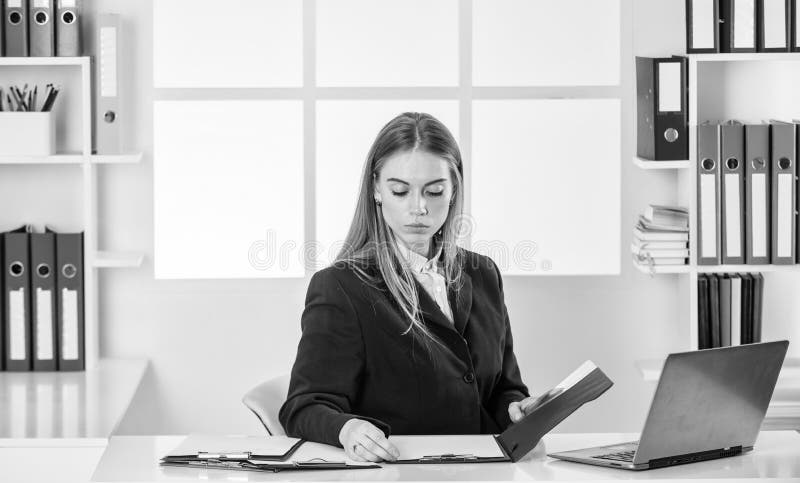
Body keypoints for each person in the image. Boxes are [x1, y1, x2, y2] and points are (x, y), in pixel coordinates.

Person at [279, 112, 549, 463]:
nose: (418, 208)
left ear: (454, 191)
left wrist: (515, 410)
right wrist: (348, 429)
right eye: (400, 191)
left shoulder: (483, 273)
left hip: (484, 470)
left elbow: (502, 388)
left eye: (434, 191)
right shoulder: (341, 287)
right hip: (401, 473)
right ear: (376, 189)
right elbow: (304, 406)